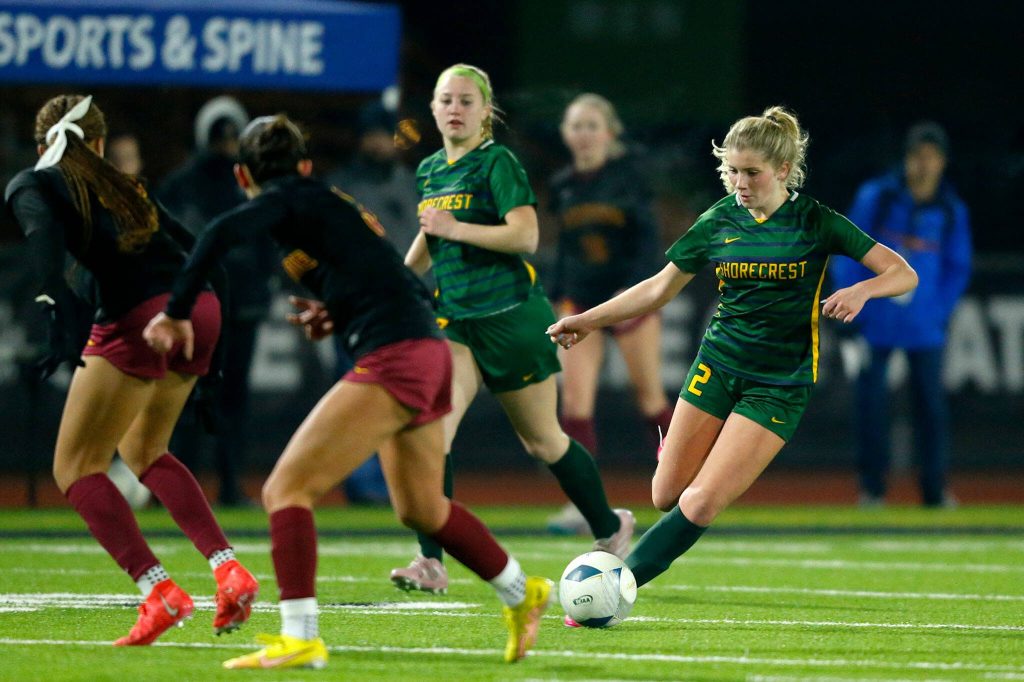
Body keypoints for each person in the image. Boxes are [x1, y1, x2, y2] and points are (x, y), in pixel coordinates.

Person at [143, 114, 552, 669]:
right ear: (307, 164)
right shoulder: (327, 202)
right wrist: (335, 311)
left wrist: (174, 313)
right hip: (426, 349)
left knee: (285, 489)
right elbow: (392, 276)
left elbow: (217, 234)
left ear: (243, 177)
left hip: (398, 355)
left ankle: (301, 635)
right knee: (423, 509)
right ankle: (520, 591)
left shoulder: (288, 198)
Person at [547, 106, 918, 616]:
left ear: (783, 170)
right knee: (665, 495)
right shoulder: (718, 220)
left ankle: (611, 589)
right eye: (732, 171)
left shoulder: (815, 221)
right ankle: (683, 487)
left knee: (700, 501)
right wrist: (588, 319)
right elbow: (657, 289)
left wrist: (864, 290)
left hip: (779, 384)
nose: (739, 183)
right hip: (716, 368)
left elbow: (902, 273)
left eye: (751, 172)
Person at [3, 94, 258, 645]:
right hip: (202, 307)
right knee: (146, 451)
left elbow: (44, 251)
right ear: (97, 144)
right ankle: (227, 569)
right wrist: (213, 367)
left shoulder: (34, 183)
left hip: (144, 314)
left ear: (44, 144)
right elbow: (200, 252)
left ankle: (159, 590)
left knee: (75, 467)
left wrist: (53, 314)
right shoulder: (125, 185)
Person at [392, 63, 635, 594]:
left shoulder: (497, 161)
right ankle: (430, 562)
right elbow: (431, 236)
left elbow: (525, 235)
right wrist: (391, 282)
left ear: (486, 111)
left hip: (511, 319)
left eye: (466, 101)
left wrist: (455, 227)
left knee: (544, 442)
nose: (455, 109)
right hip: (455, 323)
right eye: (446, 100)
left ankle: (610, 526)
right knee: (433, 433)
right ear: (432, 109)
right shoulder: (431, 168)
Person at [545, 93, 674, 535]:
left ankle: (683, 490)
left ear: (609, 133)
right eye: (575, 126)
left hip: (628, 299)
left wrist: (633, 293)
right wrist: (558, 296)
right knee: (575, 404)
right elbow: (563, 250)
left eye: (591, 125)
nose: (583, 134)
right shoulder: (563, 184)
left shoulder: (629, 176)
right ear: (565, 134)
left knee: (651, 399)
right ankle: (581, 506)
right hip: (581, 303)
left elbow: (647, 240)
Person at [831, 121, 972, 508]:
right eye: (917, 156)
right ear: (906, 159)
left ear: (942, 162)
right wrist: (854, 307)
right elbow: (846, 247)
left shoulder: (950, 210)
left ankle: (934, 490)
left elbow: (957, 267)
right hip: (875, 323)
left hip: (924, 328)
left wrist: (937, 311)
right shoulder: (877, 198)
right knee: (870, 408)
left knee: (931, 409)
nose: (923, 166)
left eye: (931, 157)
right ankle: (872, 489)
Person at [158, 95, 275, 507]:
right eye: (219, 139)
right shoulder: (186, 185)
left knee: (228, 399)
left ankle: (227, 485)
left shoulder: (243, 184)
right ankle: (175, 489)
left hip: (235, 308)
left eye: (231, 140)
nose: (225, 147)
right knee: (183, 397)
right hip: (197, 309)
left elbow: (268, 242)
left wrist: (263, 286)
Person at [323, 99, 423, 505]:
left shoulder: (412, 182)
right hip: (358, 306)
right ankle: (362, 486)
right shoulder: (342, 185)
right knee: (357, 397)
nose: (380, 143)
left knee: (403, 399)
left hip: (408, 307)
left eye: (386, 135)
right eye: (373, 135)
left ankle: (397, 484)